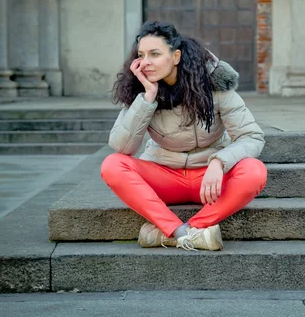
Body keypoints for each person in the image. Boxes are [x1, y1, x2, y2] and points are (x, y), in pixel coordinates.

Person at [100, 21, 267, 251]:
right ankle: (181, 233)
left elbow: (252, 137)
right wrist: (148, 97)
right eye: (141, 55)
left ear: (176, 56)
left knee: (254, 171)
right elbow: (122, 147)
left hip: (209, 181)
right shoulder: (141, 90)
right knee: (112, 165)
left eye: (155, 54)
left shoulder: (214, 85)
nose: (146, 62)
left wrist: (219, 162)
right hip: (165, 175)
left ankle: (187, 229)